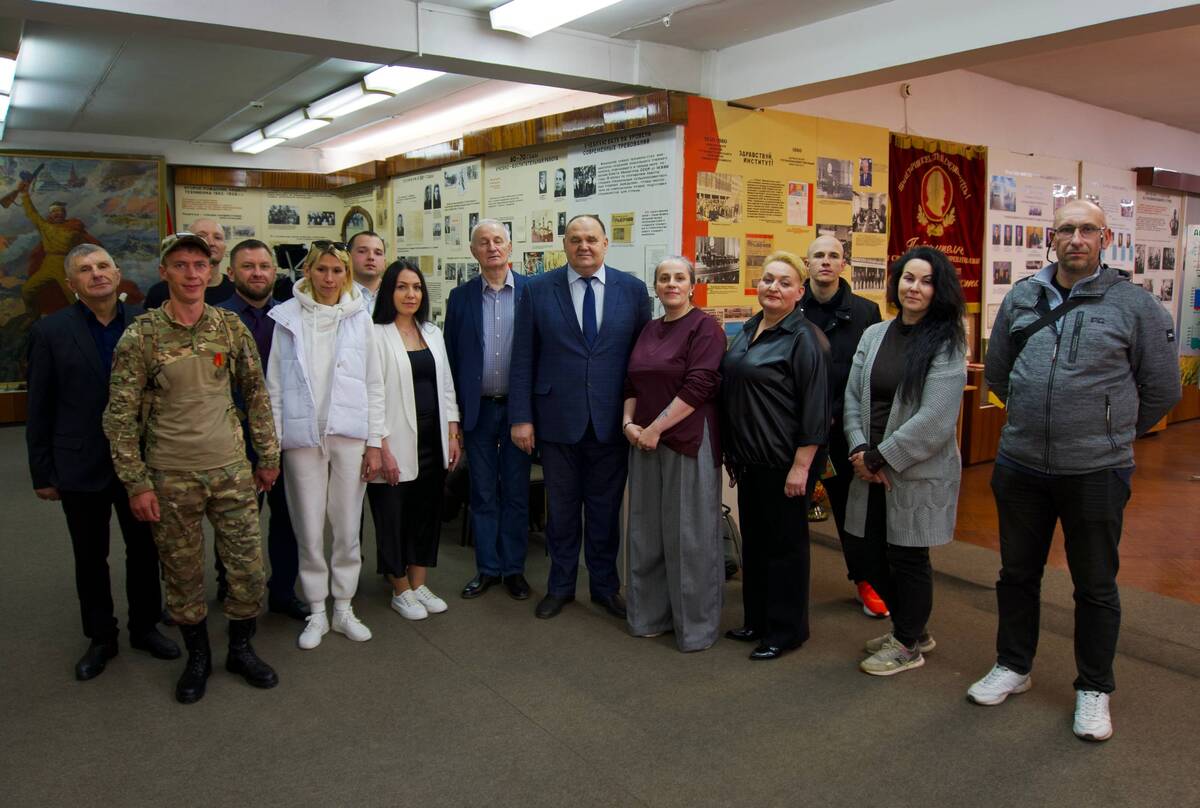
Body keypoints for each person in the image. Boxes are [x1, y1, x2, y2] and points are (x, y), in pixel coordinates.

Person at [969, 199, 1181, 741]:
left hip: (1096, 472)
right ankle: (1013, 665)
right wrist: (1031, 420)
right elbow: (999, 372)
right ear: (1052, 238)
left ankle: (1094, 688)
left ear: (1105, 239)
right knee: (1017, 574)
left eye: (1088, 229)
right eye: (1067, 229)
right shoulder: (1022, 296)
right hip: (1020, 466)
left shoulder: (1134, 305)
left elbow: (1162, 389)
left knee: (1095, 585)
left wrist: (1111, 432)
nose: (1077, 239)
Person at [103, 232, 280, 704]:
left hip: (231, 470)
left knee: (247, 569)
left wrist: (267, 457)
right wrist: (136, 483)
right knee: (182, 575)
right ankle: (198, 656)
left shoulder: (229, 327)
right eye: (180, 265)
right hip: (170, 474)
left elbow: (256, 395)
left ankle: (240, 649)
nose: (191, 274)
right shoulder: (141, 335)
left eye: (199, 265)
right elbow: (119, 417)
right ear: (164, 272)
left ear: (211, 271)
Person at [26, 244, 179, 680]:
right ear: (71, 283)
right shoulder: (50, 332)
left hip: (142, 464)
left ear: (116, 273)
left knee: (144, 550)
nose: (96, 274)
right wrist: (42, 472)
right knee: (90, 556)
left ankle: (144, 627)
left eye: (102, 266)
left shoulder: (147, 323)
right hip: (80, 463)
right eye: (84, 269)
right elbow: (40, 406)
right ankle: (101, 637)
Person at [510, 214, 651, 619]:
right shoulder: (538, 290)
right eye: (575, 239)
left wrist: (640, 418)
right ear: (564, 244)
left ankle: (605, 588)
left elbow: (642, 361)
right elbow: (523, 358)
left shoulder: (632, 290)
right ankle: (560, 587)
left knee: (605, 513)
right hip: (557, 421)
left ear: (606, 243)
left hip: (611, 422)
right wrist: (521, 417)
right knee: (562, 512)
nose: (583, 246)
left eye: (591, 239)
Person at [843, 246, 967, 676]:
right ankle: (910, 627)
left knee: (907, 557)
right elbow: (852, 395)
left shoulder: (947, 343)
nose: (915, 287)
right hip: (869, 464)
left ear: (939, 290)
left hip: (914, 469)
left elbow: (935, 420)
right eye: (908, 278)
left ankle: (909, 642)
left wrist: (881, 458)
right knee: (865, 551)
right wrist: (860, 449)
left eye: (926, 281)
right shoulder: (874, 334)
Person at [266, 241, 385, 650]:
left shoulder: (360, 318)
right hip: (302, 436)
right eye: (322, 270)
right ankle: (316, 608)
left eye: (337, 271)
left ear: (346, 275)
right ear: (308, 272)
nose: (329, 278)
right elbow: (274, 386)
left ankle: (344, 607)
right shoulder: (286, 318)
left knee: (348, 524)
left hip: (348, 432)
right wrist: (273, 444)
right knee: (308, 524)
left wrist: (374, 442)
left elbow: (374, 384)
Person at [720, 250, 829, 660]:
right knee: (757, 544)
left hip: (786, 463)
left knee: (785, 549)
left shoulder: (805, 338)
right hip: (752, 461)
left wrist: (802, 467)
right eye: (768, 279)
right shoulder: (751, 327)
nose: (774, 287)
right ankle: (757, 620)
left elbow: (816, 410)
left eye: (785, 282)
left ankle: (785, 631)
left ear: (800, 292)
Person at [621, 256, 725, 651]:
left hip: (687, 441)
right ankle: (649, 616)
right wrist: (628, 424)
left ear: (692, 285)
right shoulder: (649, 329)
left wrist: (655, 429)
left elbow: (699, 387)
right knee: (645, 534)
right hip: (644, 442)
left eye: (680, 277)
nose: (671, 284)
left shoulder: (706, 328)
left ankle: (695, 628)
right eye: (664, 278)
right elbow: (631, 382)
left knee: (690, 538)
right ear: (656, 286)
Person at [217, 239, 307, 621]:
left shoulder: (291, 317)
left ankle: (283, 591)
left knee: (288, 519)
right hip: (233, 439)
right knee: (236, 521)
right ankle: (230, 588)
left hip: (285, 434)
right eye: (248, 266)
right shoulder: (217, 319)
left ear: (274, 272)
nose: (257, 273)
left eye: (264, 266)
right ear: (231, 273)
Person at [367, 261, 461, 619]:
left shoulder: (431, 332)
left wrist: (453, 433)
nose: (411, 294)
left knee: (426, 512)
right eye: (402, 287)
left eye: (417, 287)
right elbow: (372, 394)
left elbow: (447, 386)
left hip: (432, 438)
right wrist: (381, 446)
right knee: (392, 516)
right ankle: (400, 588)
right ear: (389, 292)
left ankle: (419, 583)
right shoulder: (375, 334)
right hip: (393, 440)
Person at [800, 235, 887, 620]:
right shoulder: (791, 306)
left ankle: (866, 580)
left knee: (855, 513)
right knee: (789, 511)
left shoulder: (867, 312)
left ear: (843, 264)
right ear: (807, 263)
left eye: (833, 255)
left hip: (844, 429)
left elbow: (871, 374)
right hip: (797, 431)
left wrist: (842, 416)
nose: (825, 261)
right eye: (818, 255)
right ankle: (785, 584)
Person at [445, 219, 532, 600]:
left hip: (518, 411)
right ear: (473, 251)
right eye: (484, 242)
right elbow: (451, 359)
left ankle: (513, 569)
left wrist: (529, 414)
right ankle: (487, 569)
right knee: (482, 493)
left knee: (516, 492)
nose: (492, 247)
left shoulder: (532, 292)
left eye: (498, 240)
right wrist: (455, 418)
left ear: (510, 247)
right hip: (478, 411)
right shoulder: (460, 298)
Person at [15, 181, 102, 316]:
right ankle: (33, 315)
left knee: (73, 296)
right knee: (27, 290)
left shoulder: (74, 228)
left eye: (60, 211)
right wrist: (25, 194)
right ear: (50, 214)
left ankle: (86, 320)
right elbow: (32, 213)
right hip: (48, 264)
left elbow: (86, 246)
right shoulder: (46, 227)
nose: (57, 214)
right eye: (54, 211)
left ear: (64, 214)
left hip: (65, 264)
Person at [143, 218, 233, 308]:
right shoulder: (159, 292)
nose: (211, 243)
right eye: (201, 236)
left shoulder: (236, 289)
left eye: (217, 237)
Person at [349, 231, 387, 313]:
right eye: (362, 251)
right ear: (348, 258)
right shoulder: (336, 294)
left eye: (378, 253)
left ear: (385, 262)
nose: (371, 257)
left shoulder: (395, 293)